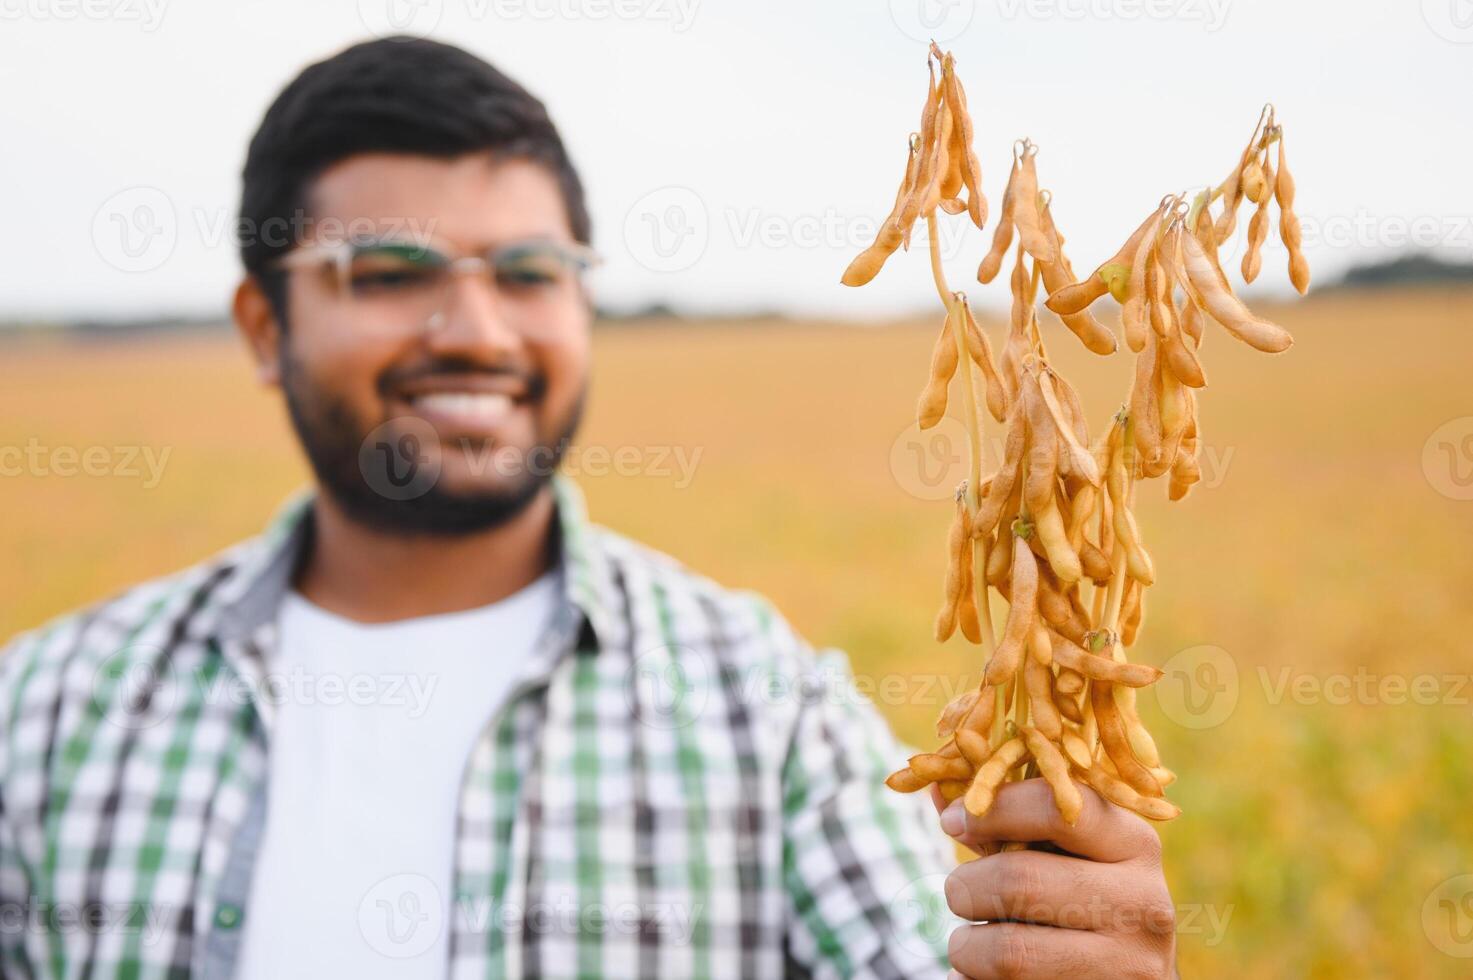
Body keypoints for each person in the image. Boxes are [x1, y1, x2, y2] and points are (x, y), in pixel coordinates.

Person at [0, 36, 1176, 979]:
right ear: (265, 328)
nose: (475, 329)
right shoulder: (45, 713)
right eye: (394, 272)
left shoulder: (768, 709)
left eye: (529, 271)